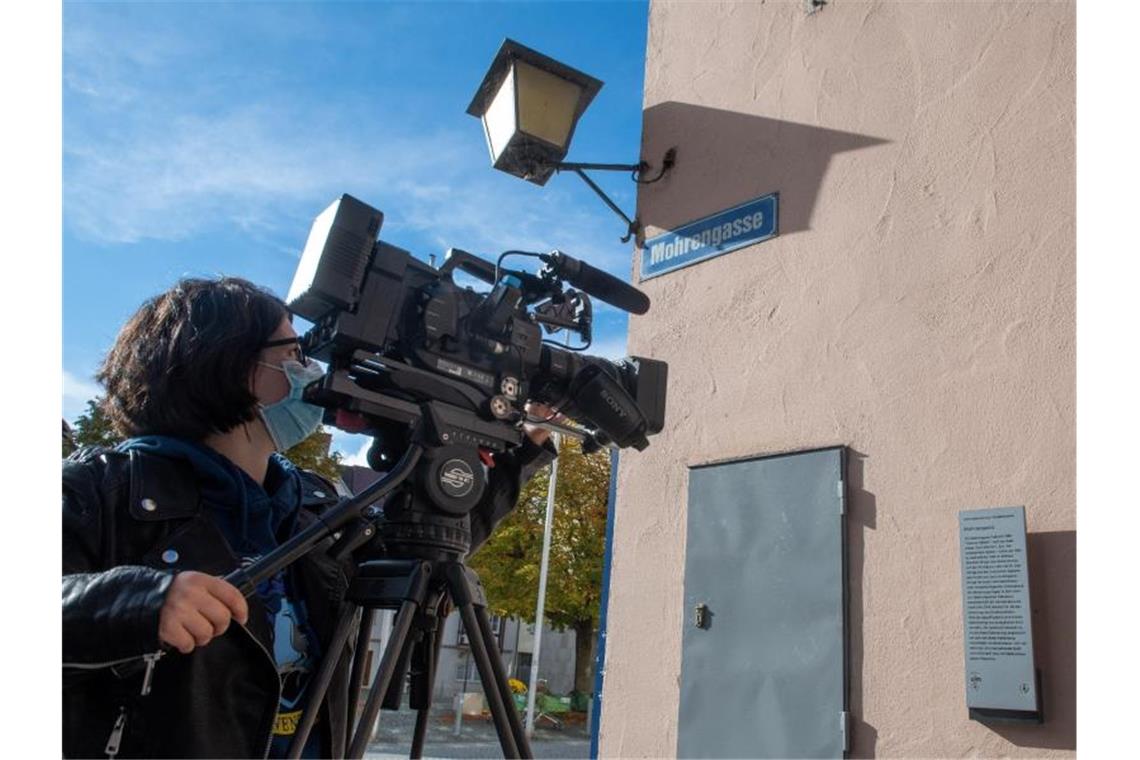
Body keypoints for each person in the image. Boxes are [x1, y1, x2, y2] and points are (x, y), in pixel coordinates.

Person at [63, 276, 557, 759]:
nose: (310, 371)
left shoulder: (312, 506)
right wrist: (136, 603)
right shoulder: (98, 491)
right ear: (230, 364)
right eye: (292, 353)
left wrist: (523, 453)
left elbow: (424, 553)